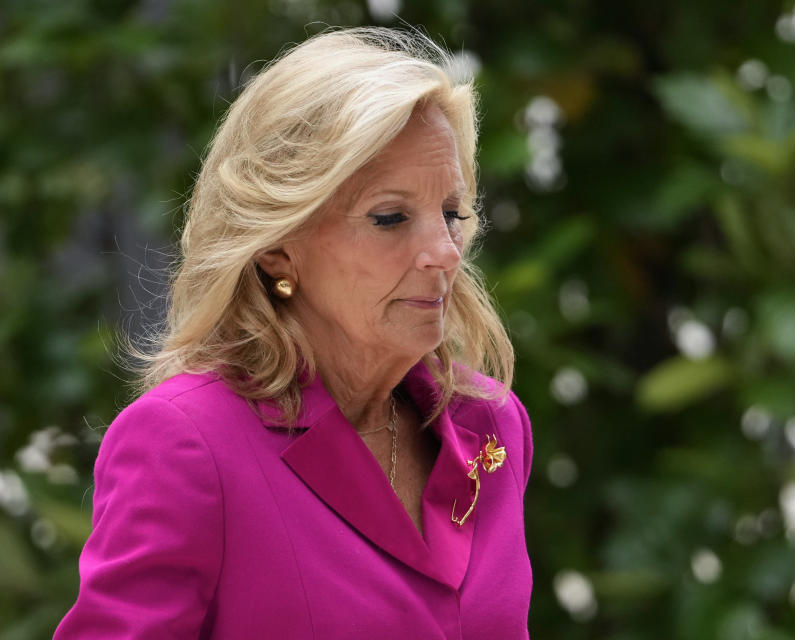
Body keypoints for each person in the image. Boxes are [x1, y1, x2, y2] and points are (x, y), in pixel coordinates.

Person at [54, 27, 533, 639]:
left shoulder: (491, 424)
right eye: (390, 218)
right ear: (279, 249)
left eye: (450, 213)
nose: (443, 252)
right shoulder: (186, 445)